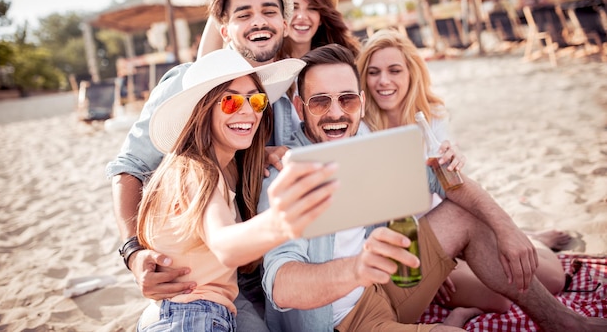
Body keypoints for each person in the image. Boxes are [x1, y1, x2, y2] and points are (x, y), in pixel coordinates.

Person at [259, 43, 607, 332]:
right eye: (320, 101)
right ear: (302, 109)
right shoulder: (286, 171)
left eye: (347, 100)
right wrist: (358, 268)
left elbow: (447, 182)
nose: (336, 113)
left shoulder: (366, 147)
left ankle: (563, 322)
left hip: (384, 285)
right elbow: (282, 285)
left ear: (362, 103)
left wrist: (507, 229)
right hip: (343, 321)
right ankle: (454, 319)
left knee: (463, 213)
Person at [107, 0, 296, 331]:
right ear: (226, 29)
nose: (259, 21)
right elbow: (127, 166)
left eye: (255, 102)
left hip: (235, 284)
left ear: (285, 24)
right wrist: (133, 254)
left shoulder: (269, 105)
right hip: (197, 301)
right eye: (245, 14)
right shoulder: (197, 165)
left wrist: (263, 155)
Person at [357, 28, 568, 312]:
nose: (383, 81)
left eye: (394, 70)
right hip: (410, 243)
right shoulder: (361, 129)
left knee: (555, 278)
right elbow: (373, 215)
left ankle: (529, 236)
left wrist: (453, 158)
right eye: (373, 72)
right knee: (501, 299)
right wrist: (429, 258)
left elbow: (452, 189)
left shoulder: (430, 118)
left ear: (411, 74)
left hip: (448, 225)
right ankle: (515, 237)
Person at [134, 48, 336, 331]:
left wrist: (262, 153)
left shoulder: (223, 166)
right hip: (192, 318)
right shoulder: (198, 171)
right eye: (230, 101)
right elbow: (224, 244)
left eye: (256, 100)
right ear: (201, 110)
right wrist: (283, 218)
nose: (247, 111)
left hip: (204, 313)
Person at [278, 0, 360, 61]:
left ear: (321, 17)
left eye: (312, 8)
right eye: (293, 7)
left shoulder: (337, 62)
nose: (302, 16)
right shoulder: (263, 65)